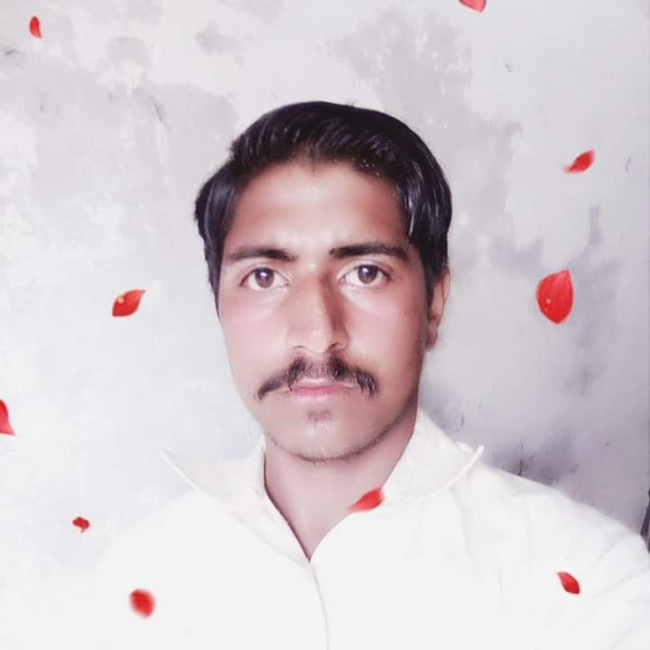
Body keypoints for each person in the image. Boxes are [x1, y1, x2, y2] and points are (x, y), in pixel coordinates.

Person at [78, 101, 650, 648]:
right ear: (218, 304)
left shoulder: (591, 584)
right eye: (265, 277)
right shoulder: (139, 577)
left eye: (365, 273)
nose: (317, 332)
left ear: (434, 302)